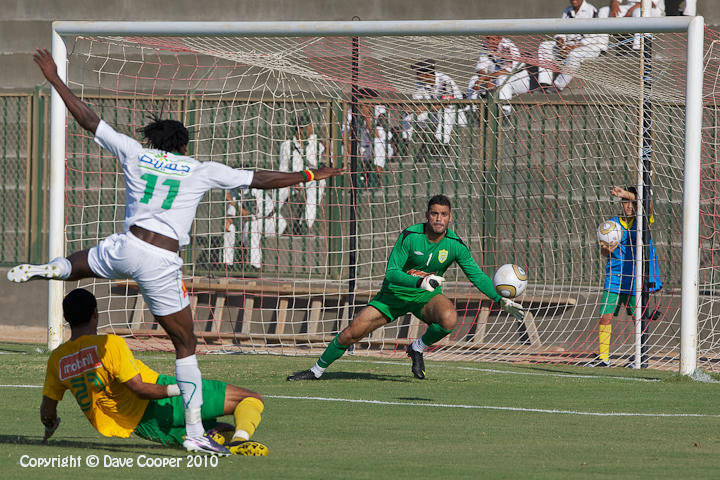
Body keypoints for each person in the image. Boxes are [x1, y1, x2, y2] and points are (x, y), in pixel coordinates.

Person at [12, 48, 343, 454]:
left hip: (126, 244)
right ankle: (194, 434)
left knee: (85, 263)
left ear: (153, 141)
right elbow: (258, 178)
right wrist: (309, 174)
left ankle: (50, 269)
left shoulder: (136, 153)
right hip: (159, 259)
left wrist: (54, 78)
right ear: (184, 146)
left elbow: (89, 120)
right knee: (185, 346)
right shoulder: (200, 169)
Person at [287, 194, 525, 381]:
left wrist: (499, 300)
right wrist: (419, 281)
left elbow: (476, 276)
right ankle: (316, 370)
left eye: (443, 214)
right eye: (434, 214)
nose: (438, 219)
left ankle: (416, 348)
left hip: (425, 299)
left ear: (450, 217)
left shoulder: (456, 245)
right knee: (352, 332)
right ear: (427, 215)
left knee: (449, 318)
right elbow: (391, 274)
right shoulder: (410, 236)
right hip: (393, 296)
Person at [40, 288, 268, 456]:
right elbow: (139, 389)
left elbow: (47, 410)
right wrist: (181, 389)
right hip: (160, 401)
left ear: (66, 318)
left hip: (139, 426)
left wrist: (51, 425)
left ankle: (225, 439)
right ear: (95, 314)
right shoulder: (109, 344)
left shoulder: (57, 359)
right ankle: (239, 441)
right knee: (250, 399)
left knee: (218, 431)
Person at [589, 186, 662, 368]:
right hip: (614, 278)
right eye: (625, 202)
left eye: (631, 202)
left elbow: (648, 206)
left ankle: (639, 357)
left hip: (634, 279)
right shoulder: (612, 224)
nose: (628, 206)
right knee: (605, 317)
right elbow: (603, 251)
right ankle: (604, 358)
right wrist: (606, 249)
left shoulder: (642, 221)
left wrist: (625, 193)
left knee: (637, 319)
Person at [537, 0, 603, 92]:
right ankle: (544, 84)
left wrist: (571, 48)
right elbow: (561, 31)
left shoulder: (591, 11)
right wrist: (560, 44)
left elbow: (592, 39)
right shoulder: (567, 11)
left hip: (589, 47)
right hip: (569, 45)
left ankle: (556, 87)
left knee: (574, 55)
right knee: (545, 46)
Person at [279, 114, 326, 231]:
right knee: (278, 190)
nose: (311, 130)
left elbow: (322, 162)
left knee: (319, 185)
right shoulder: (286, 145)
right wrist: (291, 182)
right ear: (300, 129)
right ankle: (277, 223)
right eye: (308, 127)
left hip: (309, 180)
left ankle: (305, 224)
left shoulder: (317, 144)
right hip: (291, 180)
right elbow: (283, 169)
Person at [342, 88, 393, 190]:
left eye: (367, 100)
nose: (365, 104)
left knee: (378, 145)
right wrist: (354, 123)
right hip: (358, 145)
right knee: (340, 147)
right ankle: (348, 181)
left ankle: (375, 179)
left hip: (377, 145)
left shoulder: (381, 111)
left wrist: (367, 117)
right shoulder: (352, 111)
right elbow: (344, 135)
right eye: (362, 100)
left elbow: (377, 135)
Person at [468, 36, 530, 115]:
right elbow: (481, 67)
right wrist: (483, 78)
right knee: (474, 79)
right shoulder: (485, 46)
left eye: (493, 39)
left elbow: (507, 70)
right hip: (495, 78)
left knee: (502, 79)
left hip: (519, 80)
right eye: (488, 38)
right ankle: (471, 110)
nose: (490, 41)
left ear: (500, 38)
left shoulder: (506, 45)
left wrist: (487, 78)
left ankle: (505, 112)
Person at [407, 59, 464, 145]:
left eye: (418, 74)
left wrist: (423, 108)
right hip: (433, 113)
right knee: (409, 118)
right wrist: (414, 109)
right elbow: (415, 104)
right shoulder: (422, 84)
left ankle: (442, 144)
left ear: (425, 75)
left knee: (445, 112)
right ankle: (406, 141)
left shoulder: (444, 80)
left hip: (455, 113)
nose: (416, 77)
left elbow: (446, 104)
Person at [598, 1, 666, 52]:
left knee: (639, 12)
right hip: (630, 7)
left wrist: (631, 10)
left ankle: (638, 48)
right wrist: (614, 4)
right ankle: (601, 48)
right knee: (604, 10)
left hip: (652, 10)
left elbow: (652, 3)